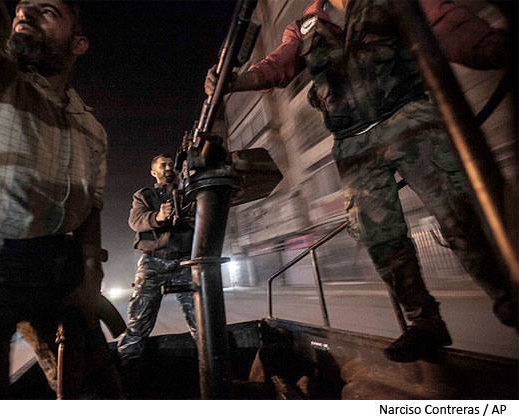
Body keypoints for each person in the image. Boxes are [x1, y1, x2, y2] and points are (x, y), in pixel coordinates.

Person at [205, 0, 517, 362]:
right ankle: (423, 322)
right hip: (352, 141)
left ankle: (511, 298)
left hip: (409, 117)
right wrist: (235, 81)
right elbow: (280, 64)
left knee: (461, 216)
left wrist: (487, 46)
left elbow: (443, 21)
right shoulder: (304, 24)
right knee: (380, 238)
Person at [0, 0, 122, 398]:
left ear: (78, 44)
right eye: (20, 10)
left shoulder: (92, 127)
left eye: (46, 11)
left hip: (55, 270)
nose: (25, 15)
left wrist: (87, 279)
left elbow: (91, 205)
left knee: (96, 391)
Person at [116, 154, 197, 366]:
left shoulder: (190, 192)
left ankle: (210, 362)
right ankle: (128, 367)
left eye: (171, 164)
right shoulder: (145, 195)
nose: (169, 167)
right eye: (163, 165)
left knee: (200, 317)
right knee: (139, 319)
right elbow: (136, 221)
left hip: (184, 260)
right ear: (154, 172)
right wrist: (158, 217)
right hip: (153, 261)